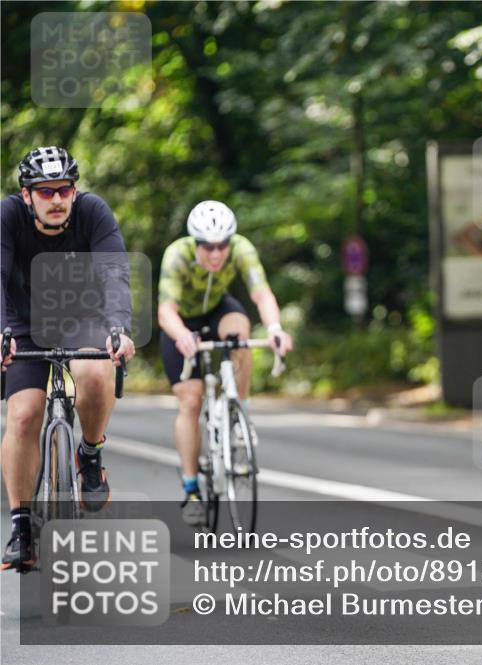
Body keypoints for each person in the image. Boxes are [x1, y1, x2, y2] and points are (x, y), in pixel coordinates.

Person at [1, 146, 136, 571]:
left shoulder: (93, 212)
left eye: (64, 190)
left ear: (75, 192)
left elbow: (114, 271)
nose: (56, 199)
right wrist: (2, 331)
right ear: (27, 196)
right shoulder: (7, 216)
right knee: (23, 416)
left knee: (96, 375)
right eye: (45, 191)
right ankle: (22, 526)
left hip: (83, 317)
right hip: (23, 323)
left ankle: (90, 456)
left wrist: (119, 327)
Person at [157, 200, 292, 527]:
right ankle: (191, 488)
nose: (216, 255)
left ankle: (239, 414)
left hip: (219, 308)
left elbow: (262, 294)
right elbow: (165, 310)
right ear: (195, 243)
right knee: (191, 400)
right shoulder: (177, 255)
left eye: (222, 246)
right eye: (208, 247)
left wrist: (275, 328)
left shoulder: (242, 249)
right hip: (182, 320)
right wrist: (182, 335)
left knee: (241, 336)